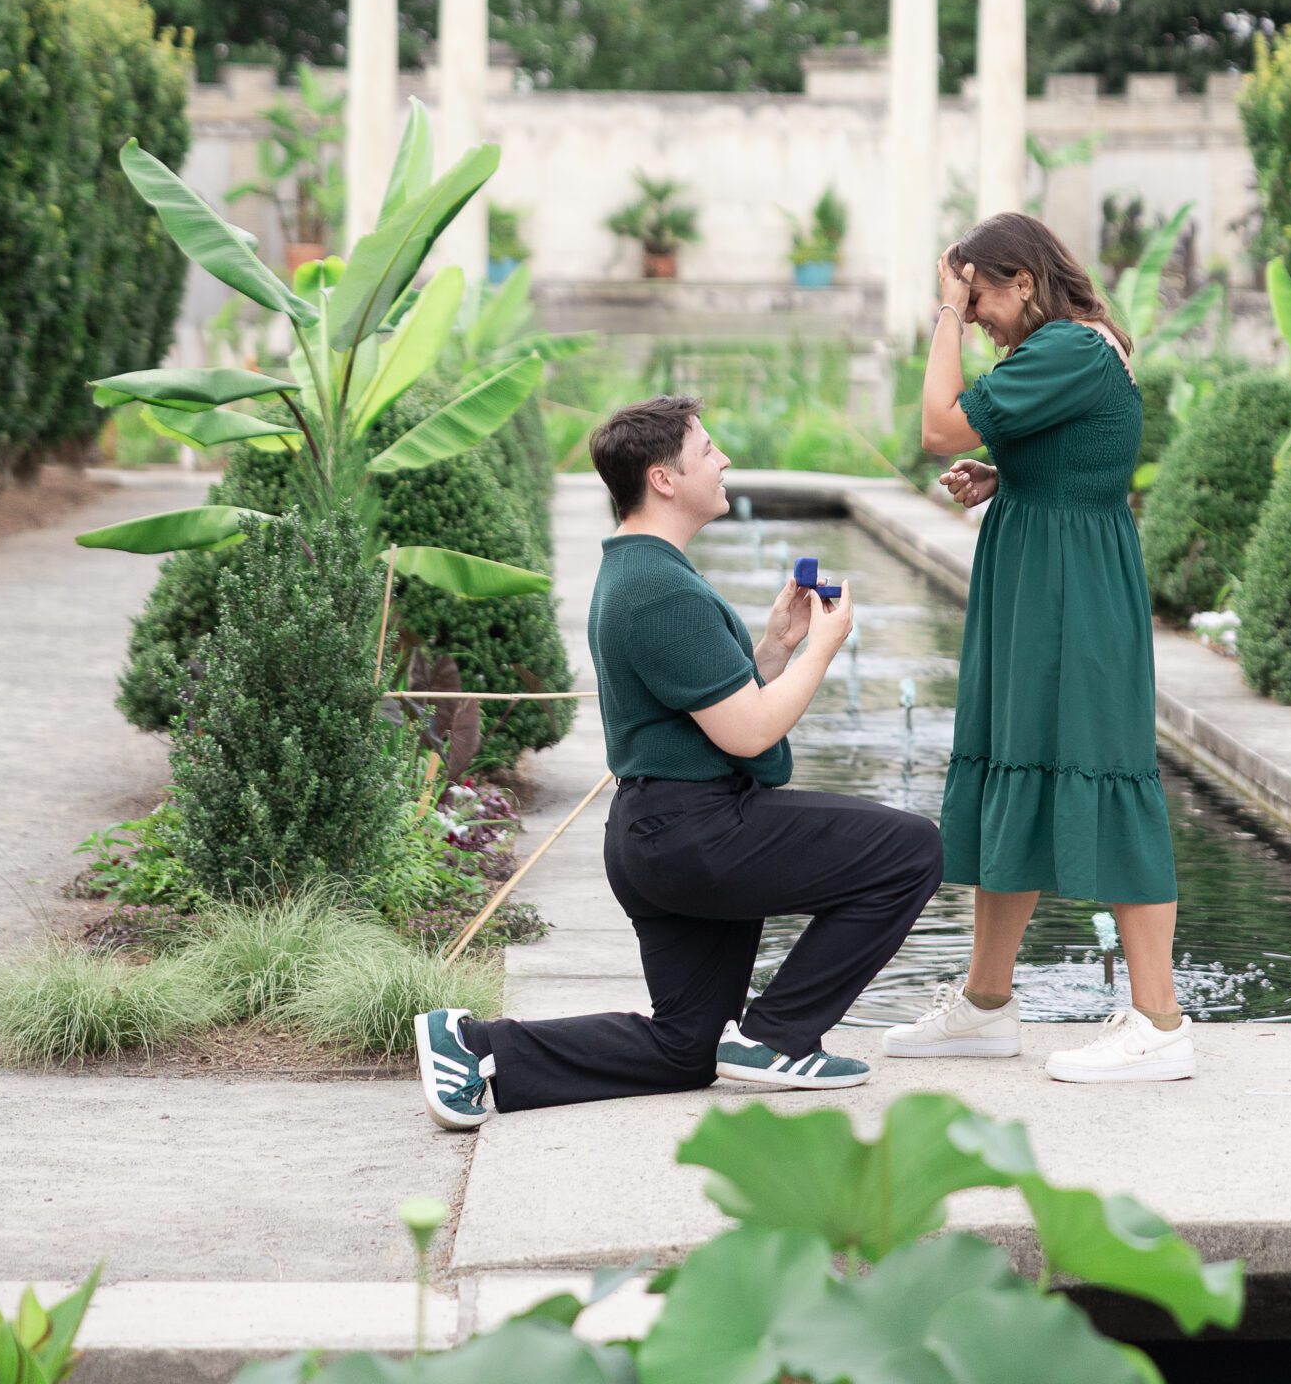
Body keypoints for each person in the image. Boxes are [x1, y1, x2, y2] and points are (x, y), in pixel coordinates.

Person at [414, 394, 944, 1127]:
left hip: (659, 834)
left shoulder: (643, 573)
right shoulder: (659, 588)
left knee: (686, 1049)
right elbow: (748, 734)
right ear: (663, 478)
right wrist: (823, 650)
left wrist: (776, 650)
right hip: (697, 832)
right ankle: (777, 1036)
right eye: (706, 451)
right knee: (909, 848)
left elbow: (708, 708)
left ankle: (471, 1047)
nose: (723, 460)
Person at [882, 211, 1191, 1085]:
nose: (971, 315)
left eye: (977, 296)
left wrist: (940, 313)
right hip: (1039, 575)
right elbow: (1074, 455)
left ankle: (1159, 1022)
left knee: (1105, 768)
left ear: (1022, 280)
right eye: (963, 303)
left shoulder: (1071, 348)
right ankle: (985, 1004)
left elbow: (939, 426)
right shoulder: (1064, 349)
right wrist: (1008, 471)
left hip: (1071, 592)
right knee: (1011, 762)